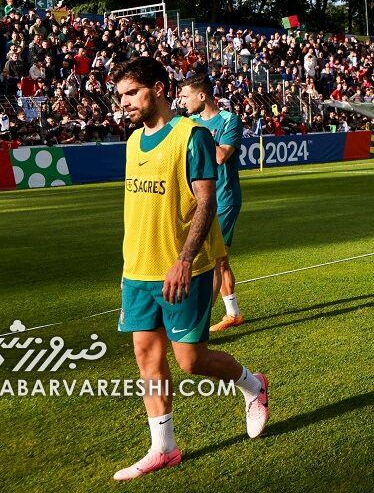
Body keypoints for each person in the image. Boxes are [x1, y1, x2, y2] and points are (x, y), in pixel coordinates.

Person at [111, 58, 268, 481]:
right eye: (121, 95)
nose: (123, 102)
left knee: (190, 362)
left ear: (158, 89)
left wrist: (183, 259)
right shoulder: (130, 143)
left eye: (131, 93)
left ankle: (253, 385)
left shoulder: (191, 135)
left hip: (184, 268)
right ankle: (163, 448)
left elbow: (206, 201)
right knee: (147, 356)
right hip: (138, 270)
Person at [179, 72, 246, 331]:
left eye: (185, 96)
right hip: (197, 199)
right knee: (221, 260)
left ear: (202, 95)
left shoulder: (230, 120)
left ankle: (200, 322)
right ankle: (233, 314)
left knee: (216, 258)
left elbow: (220, 156)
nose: (182, 101)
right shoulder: (189, 123)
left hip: (223, 198)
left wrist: (199, 132)